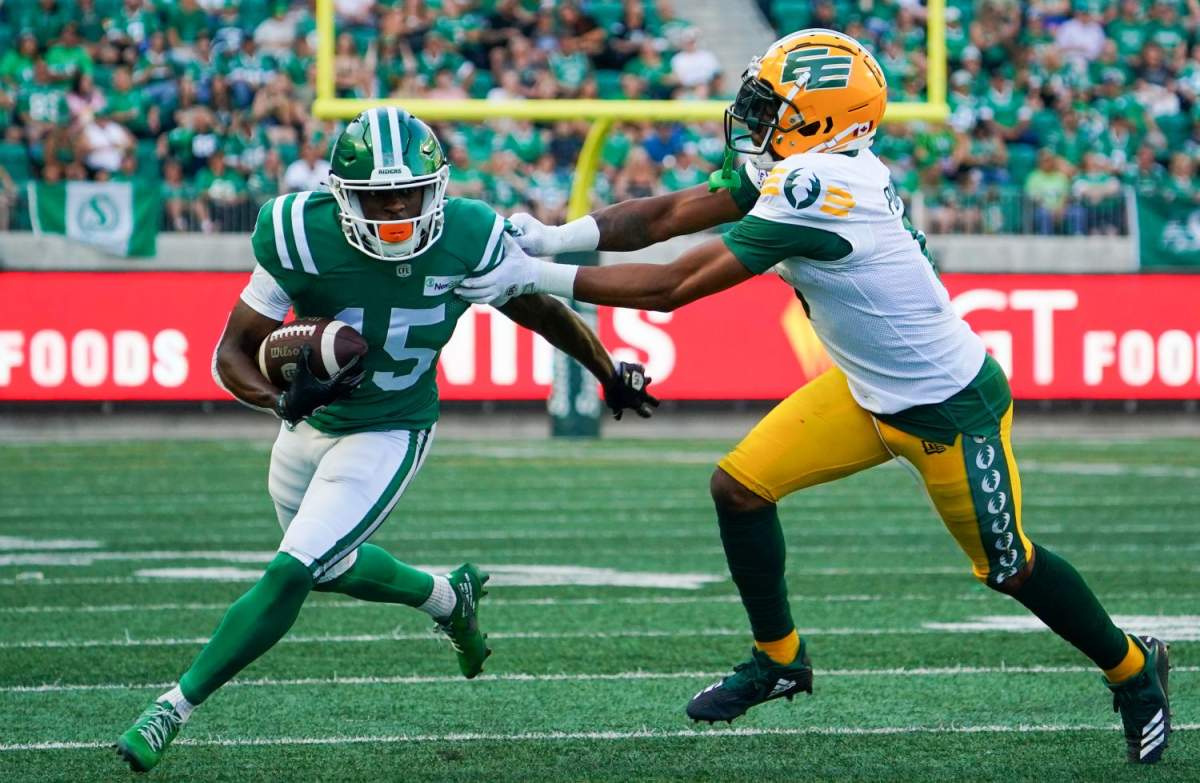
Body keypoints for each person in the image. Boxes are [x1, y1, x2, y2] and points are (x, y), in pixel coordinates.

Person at [457, 29, 1172, 765]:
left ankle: (1134, 669)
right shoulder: (807, 165)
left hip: (947, 410)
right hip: (865, 393)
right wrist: (550, 237)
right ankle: (779, 659)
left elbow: (675, 286)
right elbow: (672, 215)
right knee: (738, 488)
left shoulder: (818, 187)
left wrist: (530, 278)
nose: (753, 117)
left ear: (826, 122)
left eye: (774, 107)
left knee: (1008, 565)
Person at [114, 107, 658, 773]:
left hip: (391, 427)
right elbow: (232, 353)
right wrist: (280, 400)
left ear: (440, 186)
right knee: (329, 567)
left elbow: (539, 308)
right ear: (341, 196)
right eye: (381, 196)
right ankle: (447, 596)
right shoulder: (296, 232)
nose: (400, 210)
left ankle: (173, 705)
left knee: (293, 568)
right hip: (308, 427)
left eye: (413, 192)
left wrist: (607, 371)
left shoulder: (468, 233)